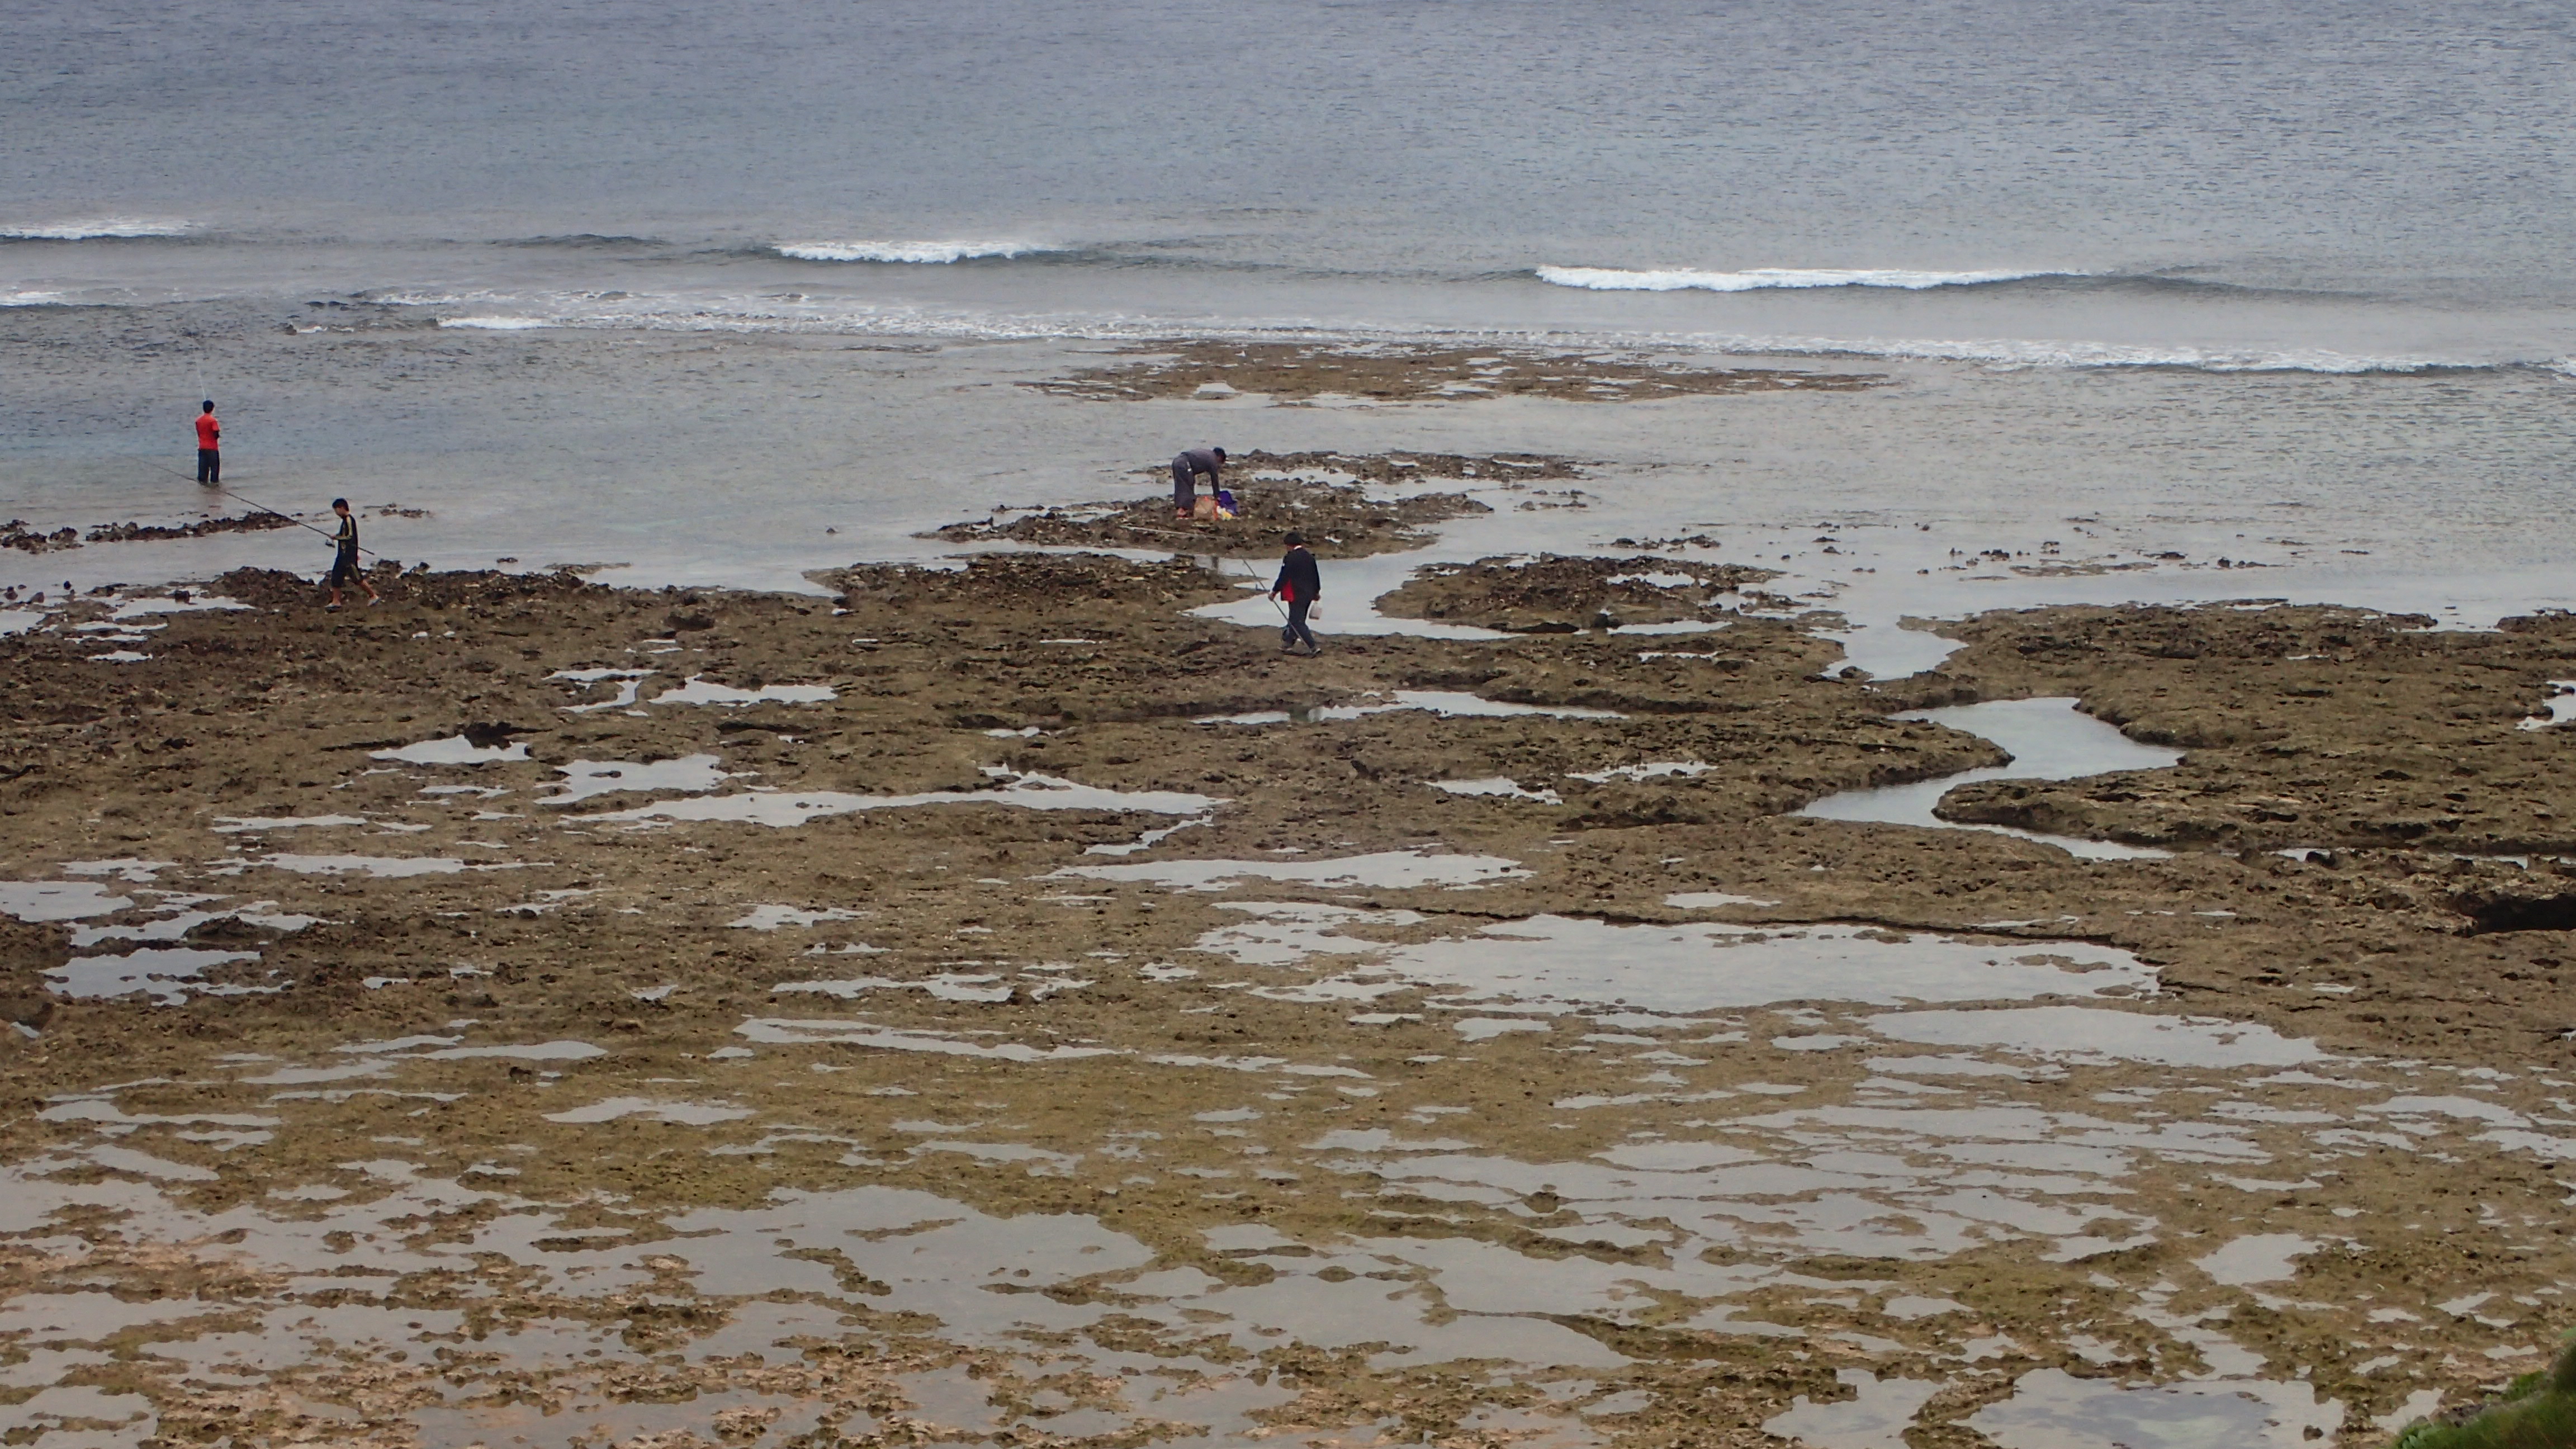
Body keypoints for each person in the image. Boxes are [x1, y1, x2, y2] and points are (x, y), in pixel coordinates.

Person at [1270, 531, 1321, 655]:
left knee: (1297, 622)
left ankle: (1313, 647)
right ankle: (1288, 644)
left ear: (1289, 545)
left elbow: (1284, 576)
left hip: (1297, 594)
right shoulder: (1310, 556)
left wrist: (1274, 591)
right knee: (1296, 619)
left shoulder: (1291, 558)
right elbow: (1315, 575)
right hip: (1309, 594)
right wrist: (1317, 592)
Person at [325, 498, 378, 609]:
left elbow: (349, 536)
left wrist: (337, 537)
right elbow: (344, 534)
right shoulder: (344, 521)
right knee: (336, 576)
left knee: (356, 577)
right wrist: (337, 536)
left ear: (342, 508)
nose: (336, 513)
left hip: (348, 556)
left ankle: (373, 596)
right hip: (342, 555)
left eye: (336, 510)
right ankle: (336, 601)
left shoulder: (349, 520)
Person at [1171, 446, 1225, 518]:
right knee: (1186, 485)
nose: (1218, 464)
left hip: (1177, 462)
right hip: (1184, 463)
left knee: (1182, 484)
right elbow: (1214, 479)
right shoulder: (1213, 459)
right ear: (1220, 457)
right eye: (1220, 462)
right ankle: (1182, 510)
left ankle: (1184, 507)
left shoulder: (1208, 454)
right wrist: (1217, 495)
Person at [194, 401, 220, 486]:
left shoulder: (198, 420)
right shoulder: (213, 420)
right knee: (214, 471)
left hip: (202, 448)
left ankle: (203, 489)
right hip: (212, 448)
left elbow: (199, 433)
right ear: (212, 409)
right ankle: (214, 489)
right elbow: (216, 434)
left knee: (202, 473)